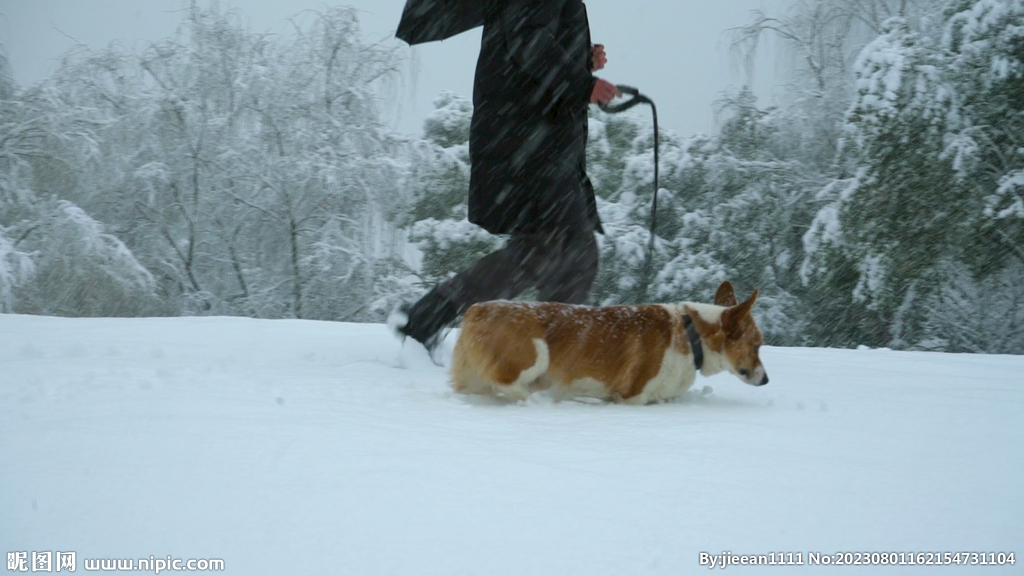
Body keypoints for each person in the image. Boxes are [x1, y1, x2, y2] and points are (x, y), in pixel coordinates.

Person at [394, 0, 619, 357]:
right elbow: (528, 40)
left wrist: (580, 57)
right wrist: (580, 82)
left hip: (530, 142)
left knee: (541, 252)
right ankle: (555, 354)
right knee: (574, 252)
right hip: (530, 144)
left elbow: (525, 41)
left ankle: (428, 317)